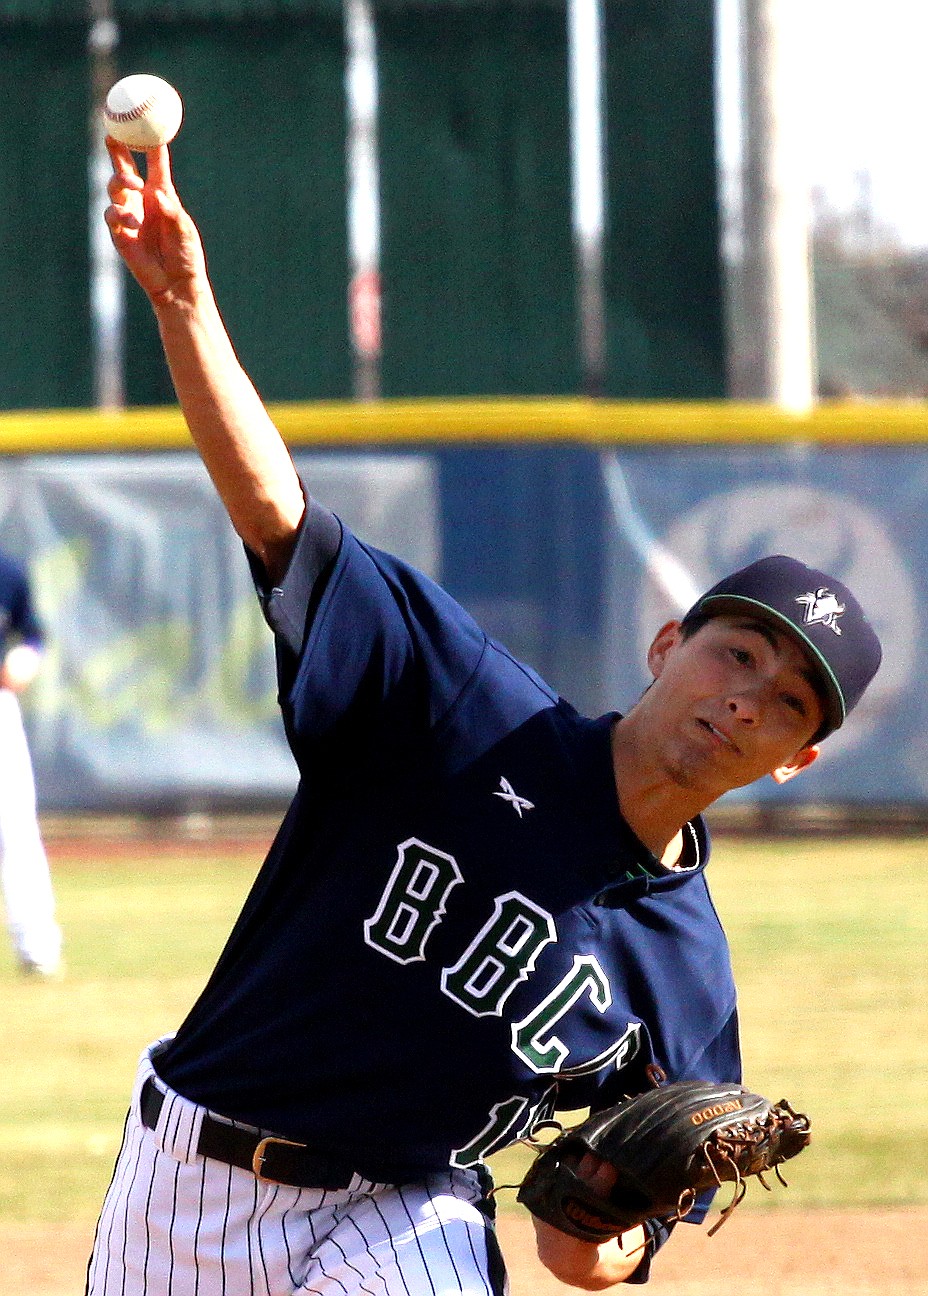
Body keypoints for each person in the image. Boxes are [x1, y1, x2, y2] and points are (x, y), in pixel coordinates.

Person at [88, 138, 882, 1296]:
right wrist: (184, 305)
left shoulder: (683, 976)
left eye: (784, 702)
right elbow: (279, 521)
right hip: (197, 1176)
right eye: (737, 652)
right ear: (668, 645)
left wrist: (613, 1219)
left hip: (410, 1209)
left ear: (793, 760)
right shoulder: (459, 707)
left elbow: (584, 1258)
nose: (743, 699)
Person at [0, 547, 63, 979]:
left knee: (15, 823)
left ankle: (36, 944)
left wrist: (27, 656)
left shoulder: (6, 570)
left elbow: (31, 632)